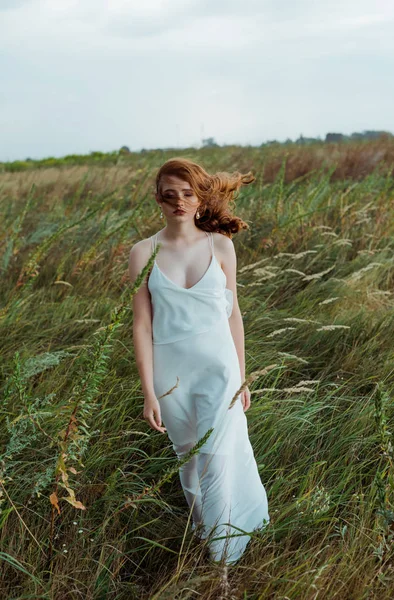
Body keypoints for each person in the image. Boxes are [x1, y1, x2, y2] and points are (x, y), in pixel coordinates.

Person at [128, 157, 270, 565]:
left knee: (219, 457)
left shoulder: (220, 246)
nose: (179, 202)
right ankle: (206, 531)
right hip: (171, 376)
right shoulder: (143, 252)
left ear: (199, 197)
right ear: (158, 199)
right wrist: (148, 392)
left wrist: (242, 377)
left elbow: (234, 313)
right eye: (170, 195)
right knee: (189, 459)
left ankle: (222, 560)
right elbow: (141, 326)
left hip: (220, 370)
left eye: (187, 194)